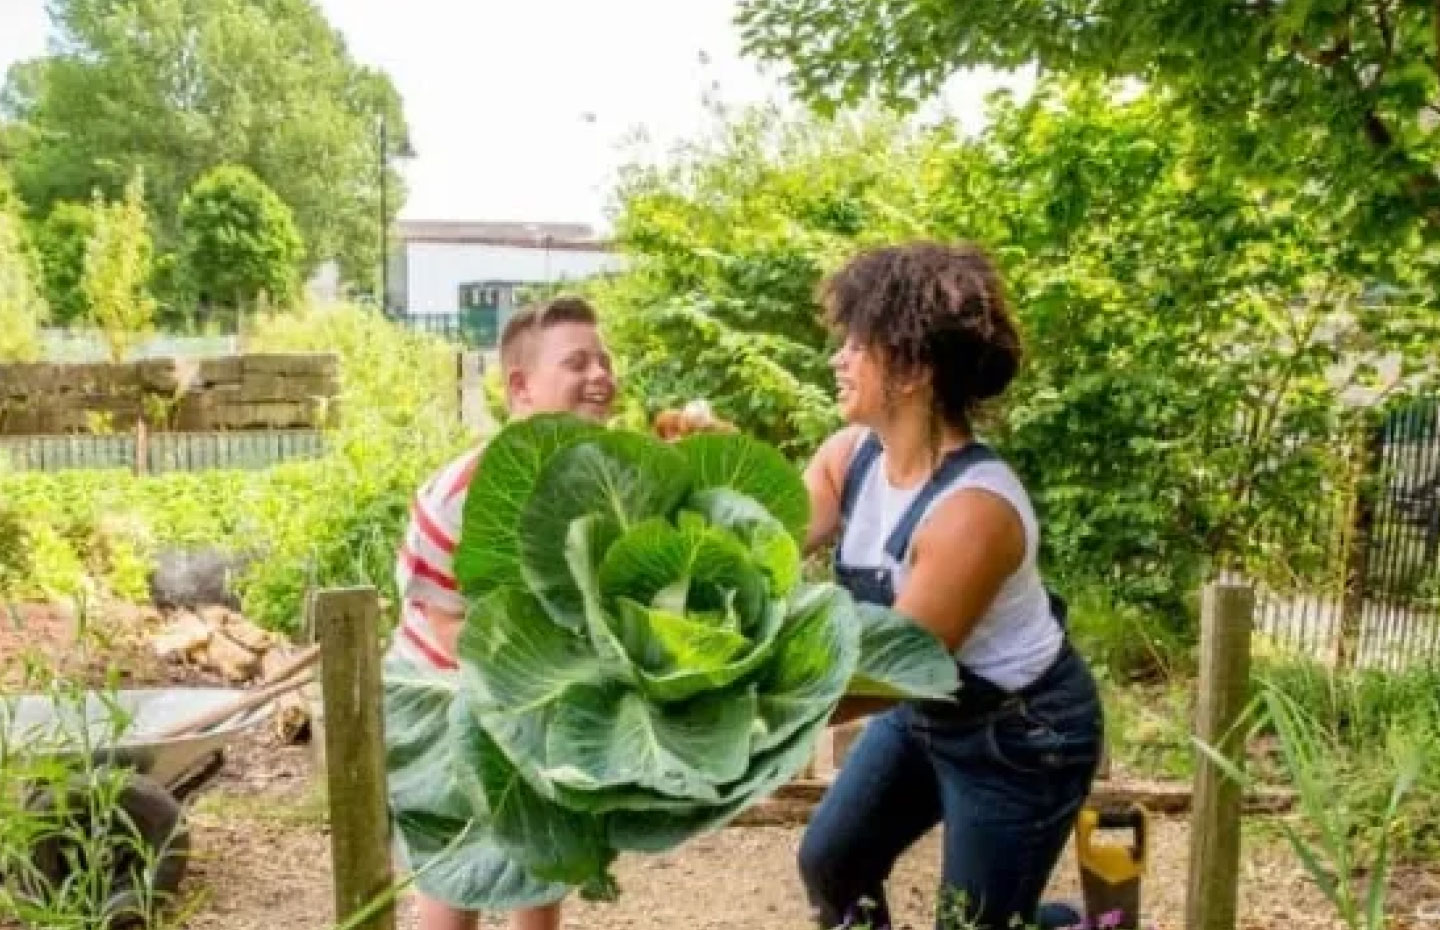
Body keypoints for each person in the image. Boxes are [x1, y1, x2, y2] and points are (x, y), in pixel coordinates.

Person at [796, 242, 1104, 930]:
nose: (836, 359)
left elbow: (894, 673)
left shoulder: (974, 513)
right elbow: (763, 547)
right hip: (928, 716)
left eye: (856, 344)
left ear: (910, 369)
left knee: (971, 924)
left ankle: (1085, 924)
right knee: (832, 863)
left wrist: (760, 717)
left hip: (1023, 736)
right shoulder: (848, 459)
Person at [388, 295, 616, 930]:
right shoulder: (461, 496)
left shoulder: (602, 479)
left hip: (539, 690)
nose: (599, 375)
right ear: (521, 389)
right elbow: (449, 627)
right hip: (444, 698)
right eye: (577, 363)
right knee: (455, 870)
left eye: (604, 359)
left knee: (542, 861)